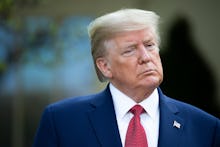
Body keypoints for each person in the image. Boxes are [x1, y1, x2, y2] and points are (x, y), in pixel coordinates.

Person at [33, 8, 220, 147]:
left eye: (149, 45)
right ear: (105, 66)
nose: (146, 57)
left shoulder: (206, 128)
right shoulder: (62, 122)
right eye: (130, 50)